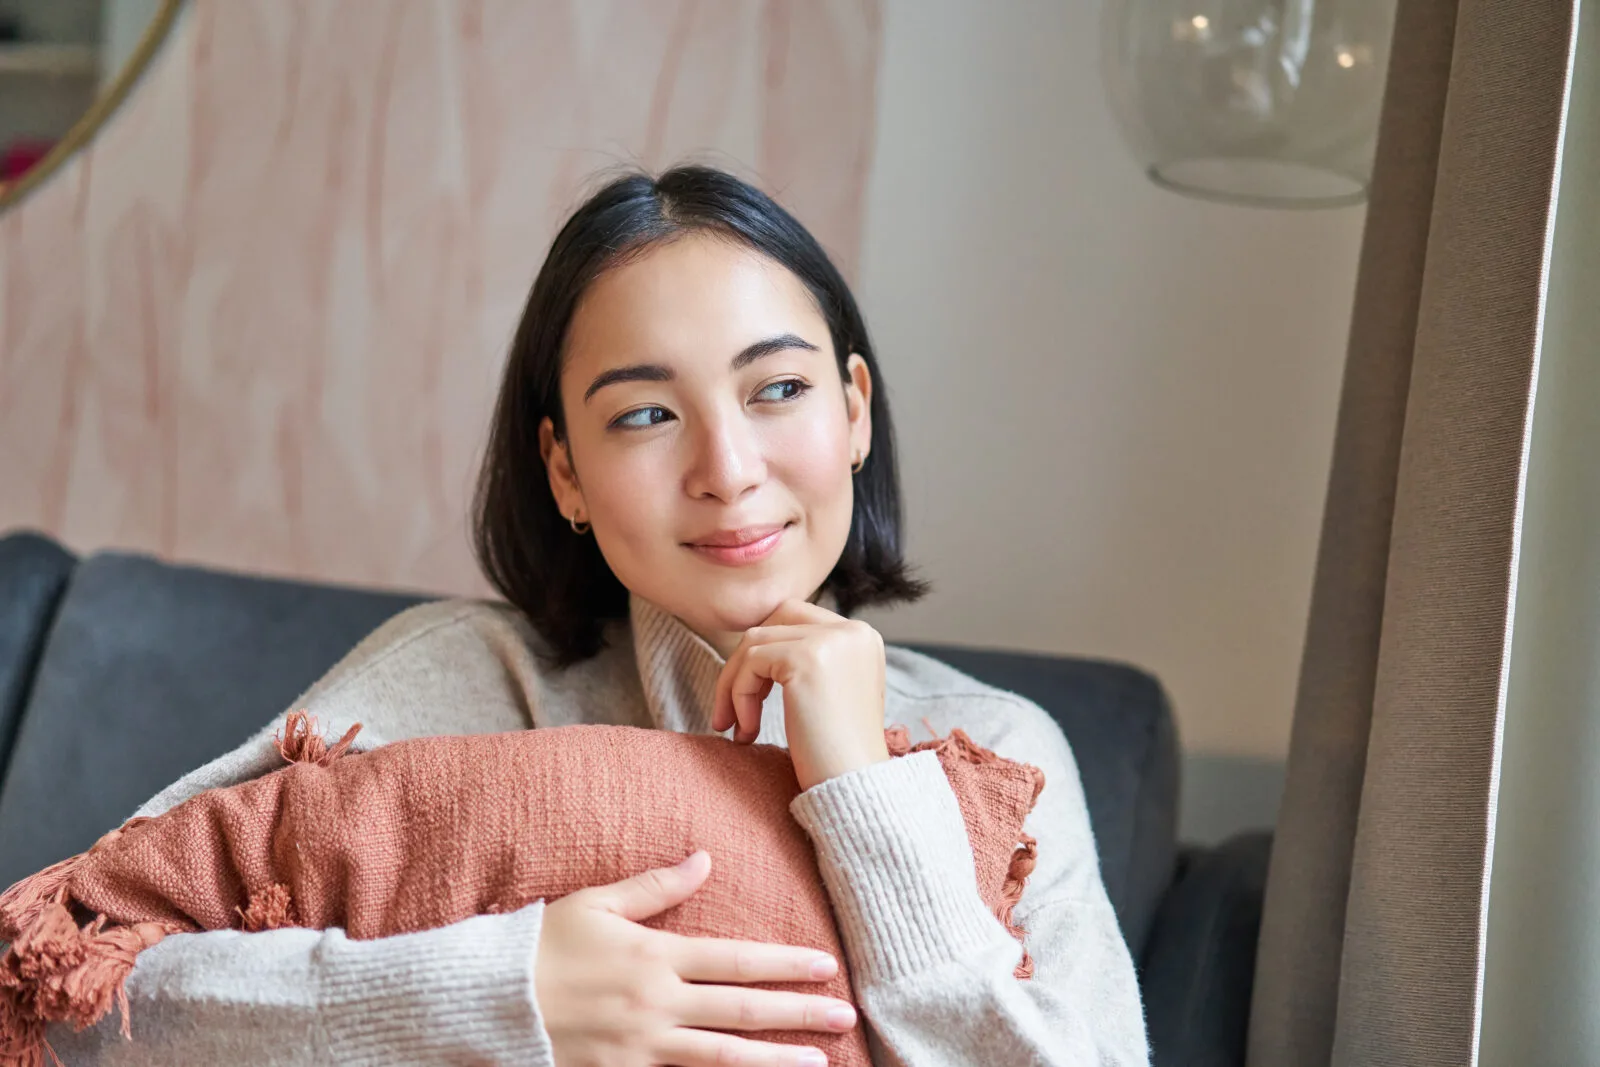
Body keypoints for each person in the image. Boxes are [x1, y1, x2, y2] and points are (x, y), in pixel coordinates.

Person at [49, 166, 1148, 1066]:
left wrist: (863, 789)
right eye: (646, 413)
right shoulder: (454, 681)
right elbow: (68, 993)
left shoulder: (995, 754)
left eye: (777, 390)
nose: (726, 468)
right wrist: (494, 993)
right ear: (563, 470)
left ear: (854, 410)